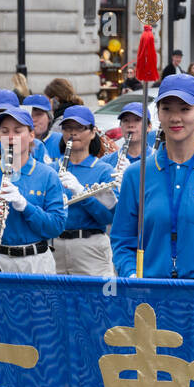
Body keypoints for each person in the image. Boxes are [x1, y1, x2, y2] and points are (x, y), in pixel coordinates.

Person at [111, 75, 194, 280]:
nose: (175, 118)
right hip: (151, 294)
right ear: (158, 114)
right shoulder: (136, 174)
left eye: (185, 109)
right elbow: (122, 240)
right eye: (167, 109)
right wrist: (131, 273)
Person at [0, 106, 66, 275]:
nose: (11, 137)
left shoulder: (48, 175)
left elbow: (56, 227)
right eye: (5, 131)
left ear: (31, 135)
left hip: (36, 262)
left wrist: (25, 207)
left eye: (18, 131)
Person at [51, 106, 118, 277]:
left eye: (79, 128)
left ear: (92, 132)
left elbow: (108, 217)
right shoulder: (51, 169)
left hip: (91, 247)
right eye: (67, 128)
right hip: (54, 246)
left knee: (95, 301)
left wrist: (82, 193)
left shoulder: (103, 170)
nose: (73, 133)